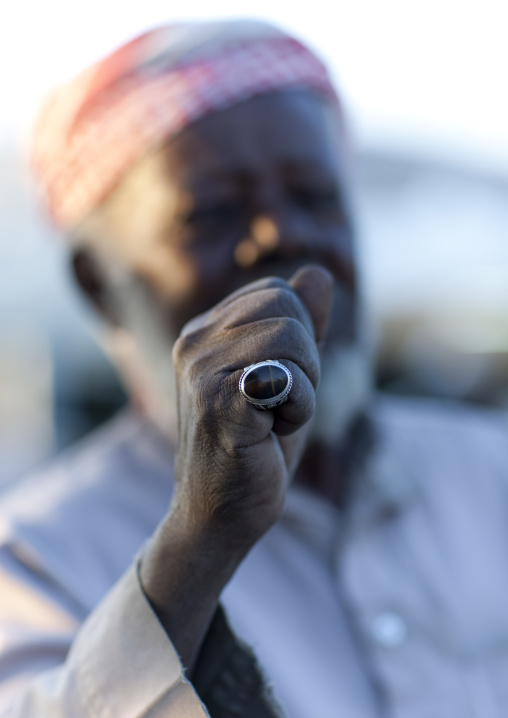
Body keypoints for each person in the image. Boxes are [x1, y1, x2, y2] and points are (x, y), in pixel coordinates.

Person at [2, 18, 508, 718]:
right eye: (212, 214)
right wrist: (197, 548)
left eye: (315, 196)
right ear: (99, 283)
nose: (282, 233)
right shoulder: (34, 558)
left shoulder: (490, 471)